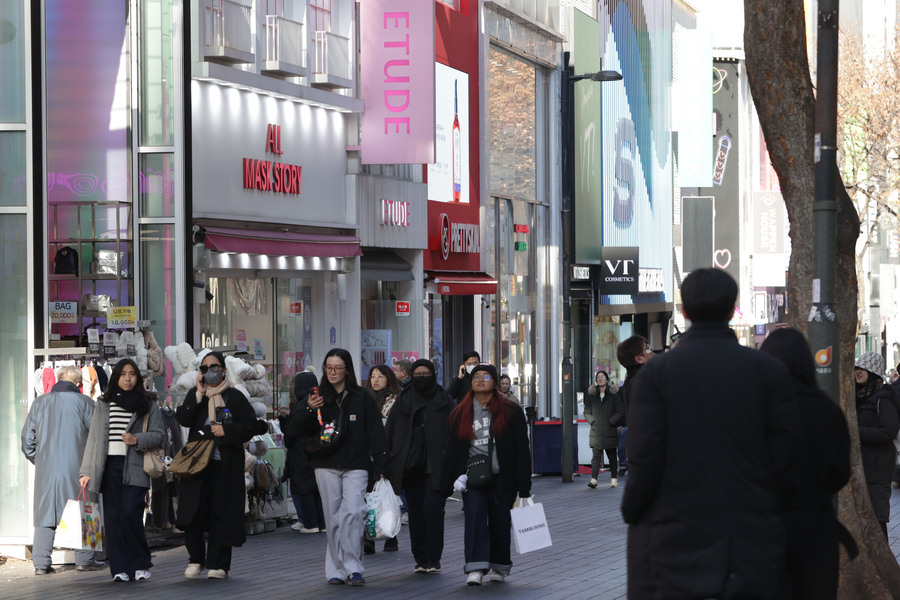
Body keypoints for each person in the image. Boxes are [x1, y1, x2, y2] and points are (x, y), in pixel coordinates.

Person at [620, 268, 804, 600]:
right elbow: (787, 460)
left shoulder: (656, 375)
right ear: (732, 307)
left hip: (672, 532)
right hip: (748, 533)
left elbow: (644, 457)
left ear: (685, 311)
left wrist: (633, 510)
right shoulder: (768, 372)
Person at [760, 327, 851, 600]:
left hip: (765, 524)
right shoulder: (826, 408)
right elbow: (840, 471)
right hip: (815, 527)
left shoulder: (757, 406)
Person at [299, 348, 389, 586]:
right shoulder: (316, 397)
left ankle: (353, 566)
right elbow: (297, 430)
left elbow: (375, 432)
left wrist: (380, 463)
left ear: (347, 369)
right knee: (333, 517)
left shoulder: (361, 397)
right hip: (325, 463)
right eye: (329, 367)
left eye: (338, 368)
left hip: (356, 464)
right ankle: (337, 569)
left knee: (353, 513)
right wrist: (308, 408)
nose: (333, 372)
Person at [175, 351, 266, 580]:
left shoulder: (234, 397)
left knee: (221, 514)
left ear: (224, 370)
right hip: (195, 466)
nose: (209, 372)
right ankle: (196, 558)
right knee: (192, 512)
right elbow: (184, 419)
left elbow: (251, 425)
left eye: (213, 367)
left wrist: (227, 430)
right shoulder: (198, 396)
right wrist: (197, 394)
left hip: (224, 465)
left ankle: (219, 564)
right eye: (204, 368)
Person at [441, 363, 531, 587]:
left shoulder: (511, 411)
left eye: (486, 376)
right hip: (473, 477)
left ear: (495, 382)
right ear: (470, 383)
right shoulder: (459, 412)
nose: (480, 380)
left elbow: (521, 448)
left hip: (503, 477)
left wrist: (524, 487)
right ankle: (475, 567)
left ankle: (500, 566)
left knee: (501, 522)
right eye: (476, 377)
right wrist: (454, 476)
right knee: (475, 520)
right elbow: (451, 449)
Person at [79, 358, 166, 582]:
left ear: (138, 377)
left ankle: (141, 562)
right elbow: (94, 439)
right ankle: (119, 568)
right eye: (123, 374)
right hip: (109, 467)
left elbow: (159, 435)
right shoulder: (103, 403)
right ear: (116, 377)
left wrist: (137, 439)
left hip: (136, 465)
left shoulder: (148, 403)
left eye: (132, 374)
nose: (128, 379)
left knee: (131, 514)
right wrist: (86, 470)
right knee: (114, 519)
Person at [21, 365, 104, 575]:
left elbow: (27, 440)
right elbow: (96, 437)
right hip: (79, 468)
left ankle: (41, 563)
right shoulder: (85, 403)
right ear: (78, 384)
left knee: (45, 514)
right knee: (84, 509)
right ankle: (85, 560)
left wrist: (39, 460)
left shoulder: (39, 403)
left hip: (46, 469)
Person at [385, 359, 454, 574]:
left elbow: (454, 432)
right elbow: (391, 431)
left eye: (426, 373)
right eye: (418, 373)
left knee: (433, 509)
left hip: (437, 466)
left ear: (433, 374)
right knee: (415, 513)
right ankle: (421, 558)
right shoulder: (404, 399)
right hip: (411, 466)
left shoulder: (444, 399)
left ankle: (434, 558)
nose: (422, 377)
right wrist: (387, 461)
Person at [853, 351, 900, 539]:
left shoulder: (883, 398)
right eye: (857, 367)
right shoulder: (858, 397)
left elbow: (888, 432)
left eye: (864, 368)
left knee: (876, 516)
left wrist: (857, 433)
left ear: (873, 372)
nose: (858, 371)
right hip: (864, 464)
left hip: (878, 465)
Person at [282, 370, 326, 534]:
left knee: (305, 487)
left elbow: (291, 432)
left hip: (300, 451)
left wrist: (285, 421)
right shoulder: (319, 401)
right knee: (317, 489)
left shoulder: (301, 405)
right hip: (316, 450)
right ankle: (322, 523)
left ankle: (311, 523)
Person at [365, 364, 402, 552]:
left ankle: (390, 535)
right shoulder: (364, 399)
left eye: (380, 376)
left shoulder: (394, 400)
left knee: (388, 495)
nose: (376, 379)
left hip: (388, 453)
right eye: (373, 376)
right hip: (366, 454)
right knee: (367, 497)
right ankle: (368, 538)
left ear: (388, 378)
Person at [615, 335, 653, 476]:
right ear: (639, 359)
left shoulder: (633, 380)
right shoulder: (644, 381)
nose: (652, 350)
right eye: (647, 348)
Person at [583, 370, 625, 489]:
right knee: (596, 456)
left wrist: (612, 421)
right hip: (596, 430)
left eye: (602, 377)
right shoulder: (592, 397)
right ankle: (594, 479)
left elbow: (620, 411)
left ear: (607, 380)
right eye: (598, 377)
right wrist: (593, 421)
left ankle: (613, 478)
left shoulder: (613, 396)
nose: (600, 379)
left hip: (610, 429)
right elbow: (586, 412)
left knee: (612, 456)